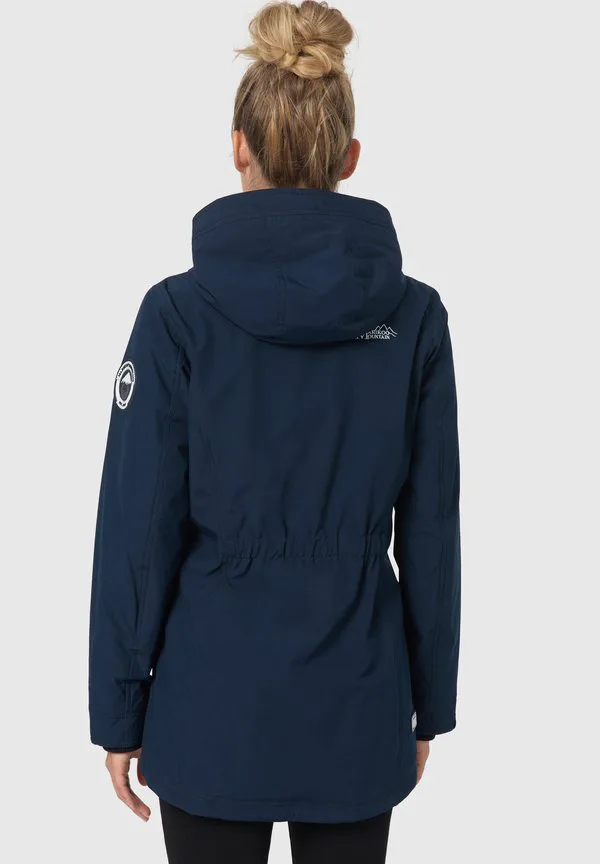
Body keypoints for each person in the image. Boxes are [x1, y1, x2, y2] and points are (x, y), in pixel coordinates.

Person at [88, 2, 461, 862]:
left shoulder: (175, 316)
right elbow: (432, 535)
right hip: (360, 704)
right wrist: (427, 705)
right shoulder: (414, 320)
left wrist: (119, 709)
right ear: (349, 158)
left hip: (208, 709)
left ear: (238, 147)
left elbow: (137, 528)